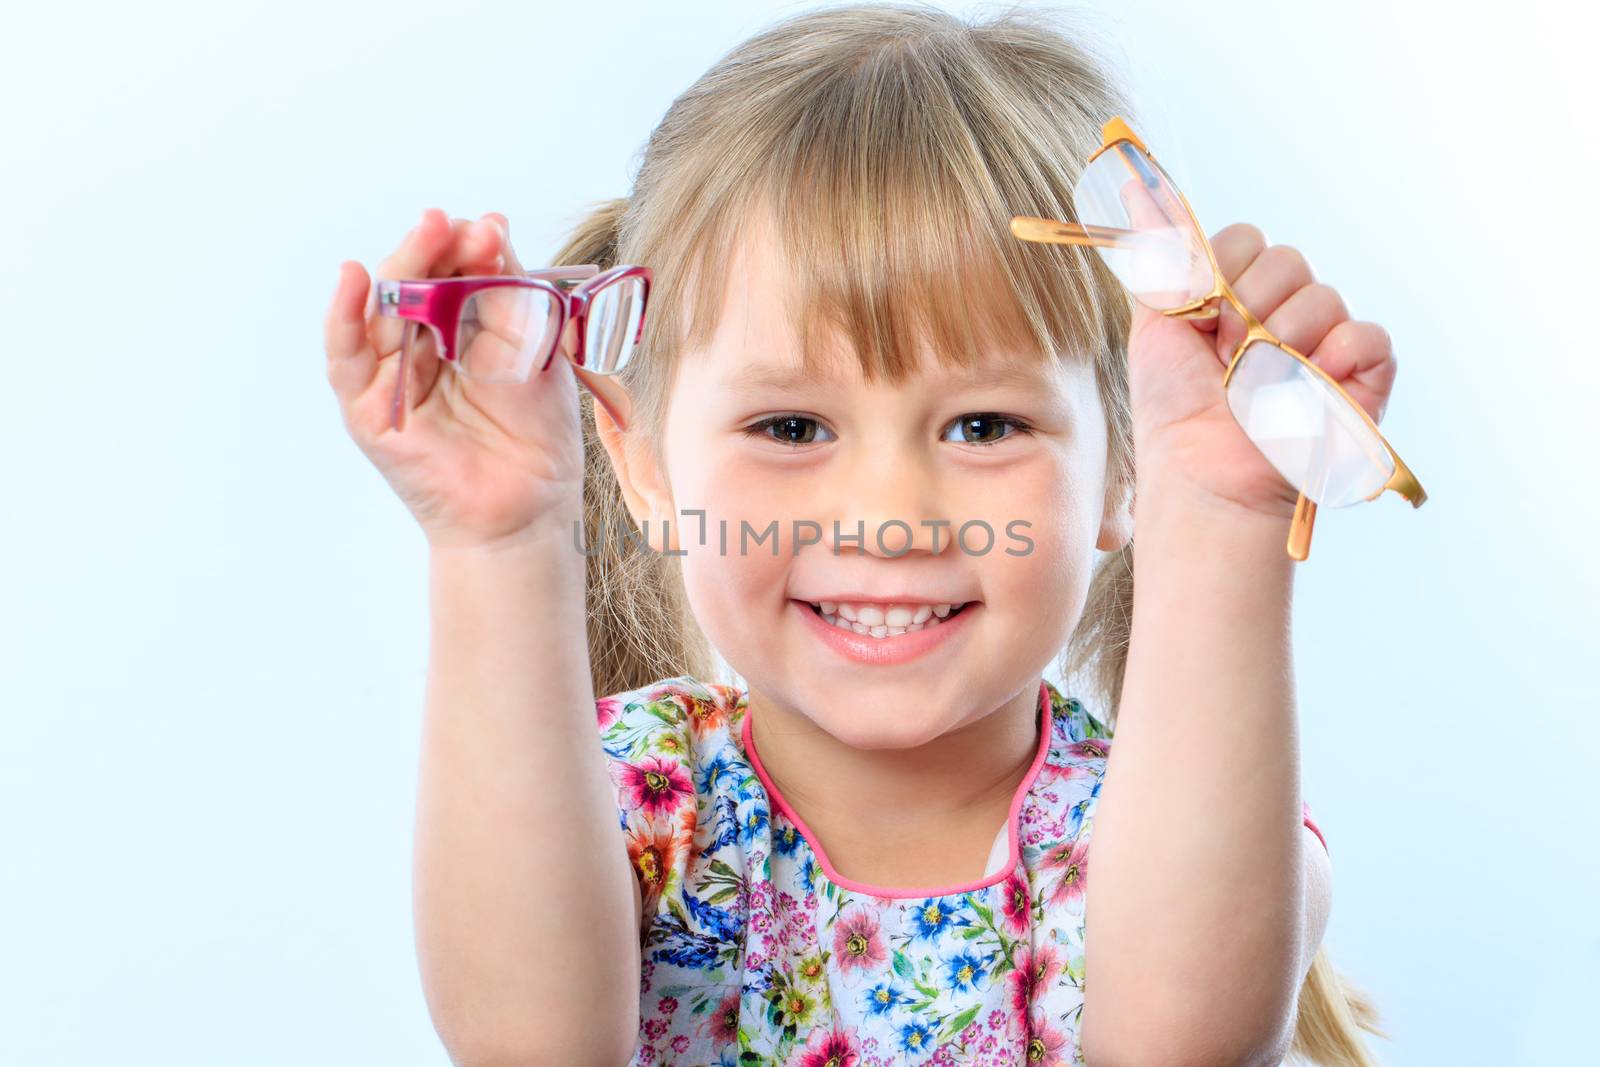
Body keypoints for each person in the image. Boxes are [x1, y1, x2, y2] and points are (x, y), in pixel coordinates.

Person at [323, 4, 1396, 1064]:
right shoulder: (634, 802)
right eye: (790, 425)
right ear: (643, 461)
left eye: (985, 424)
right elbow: (527, 1045)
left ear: (1124, 463)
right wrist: (496, 543)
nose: (887, 517)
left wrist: (1214, 515)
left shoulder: (1170, 829)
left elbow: (1182, 1043)